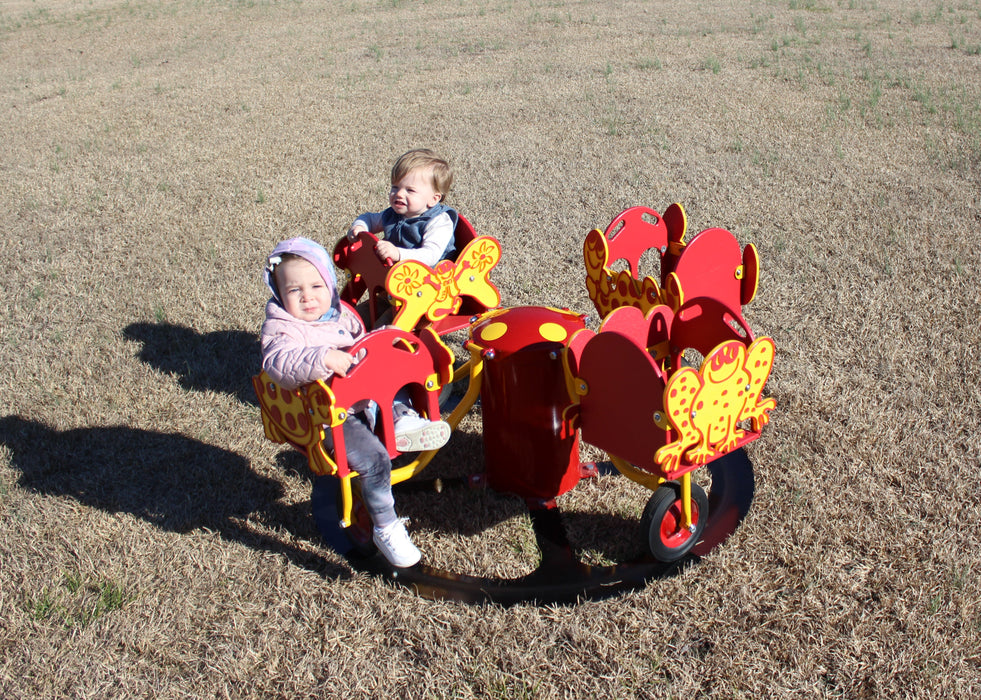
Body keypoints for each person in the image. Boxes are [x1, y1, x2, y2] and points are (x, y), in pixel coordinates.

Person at [260, 237, 450, 567]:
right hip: (327, 415)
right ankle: (386, 527)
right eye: (294, 290)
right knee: (374, 460)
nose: (307, 297)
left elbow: (362, 344)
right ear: (279, 293)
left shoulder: (340, 313)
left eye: (316, 285)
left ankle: (402, 419)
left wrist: (380, 340)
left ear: (330, 285)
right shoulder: (282, 328)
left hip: (364, 397)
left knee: (391, 379)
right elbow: (279, 364)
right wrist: (322, 357)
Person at [347, 148, 459, 267]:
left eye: (410, 190)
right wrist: (359, 227)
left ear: (433, 199)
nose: (399, 194)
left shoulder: (439, 222)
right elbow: (369, 218)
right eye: (395, 187)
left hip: (431, 280)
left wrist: (398, 253)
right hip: (399, 275)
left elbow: (430, 255)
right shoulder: (394, 214)